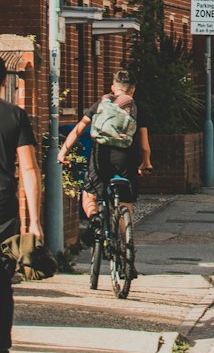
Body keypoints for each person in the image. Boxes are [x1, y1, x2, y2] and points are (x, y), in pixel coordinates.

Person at [58, 70, 153, 259]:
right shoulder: (137, 109)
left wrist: (63, 152)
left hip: (100, 157)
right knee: (125, 203)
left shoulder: (101, 105)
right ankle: (128, 251)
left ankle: (94, 219)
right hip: (126, 160)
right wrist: (146, 163)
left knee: (89, 195)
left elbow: (78, 130)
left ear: (113, 88)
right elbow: (144, 145)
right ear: (133, 90)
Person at [0, 95, 42, 353]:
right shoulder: (14, 115)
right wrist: (35, 221)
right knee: (2, 284)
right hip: (4, 211)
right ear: (4, 82)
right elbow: (28, 167)